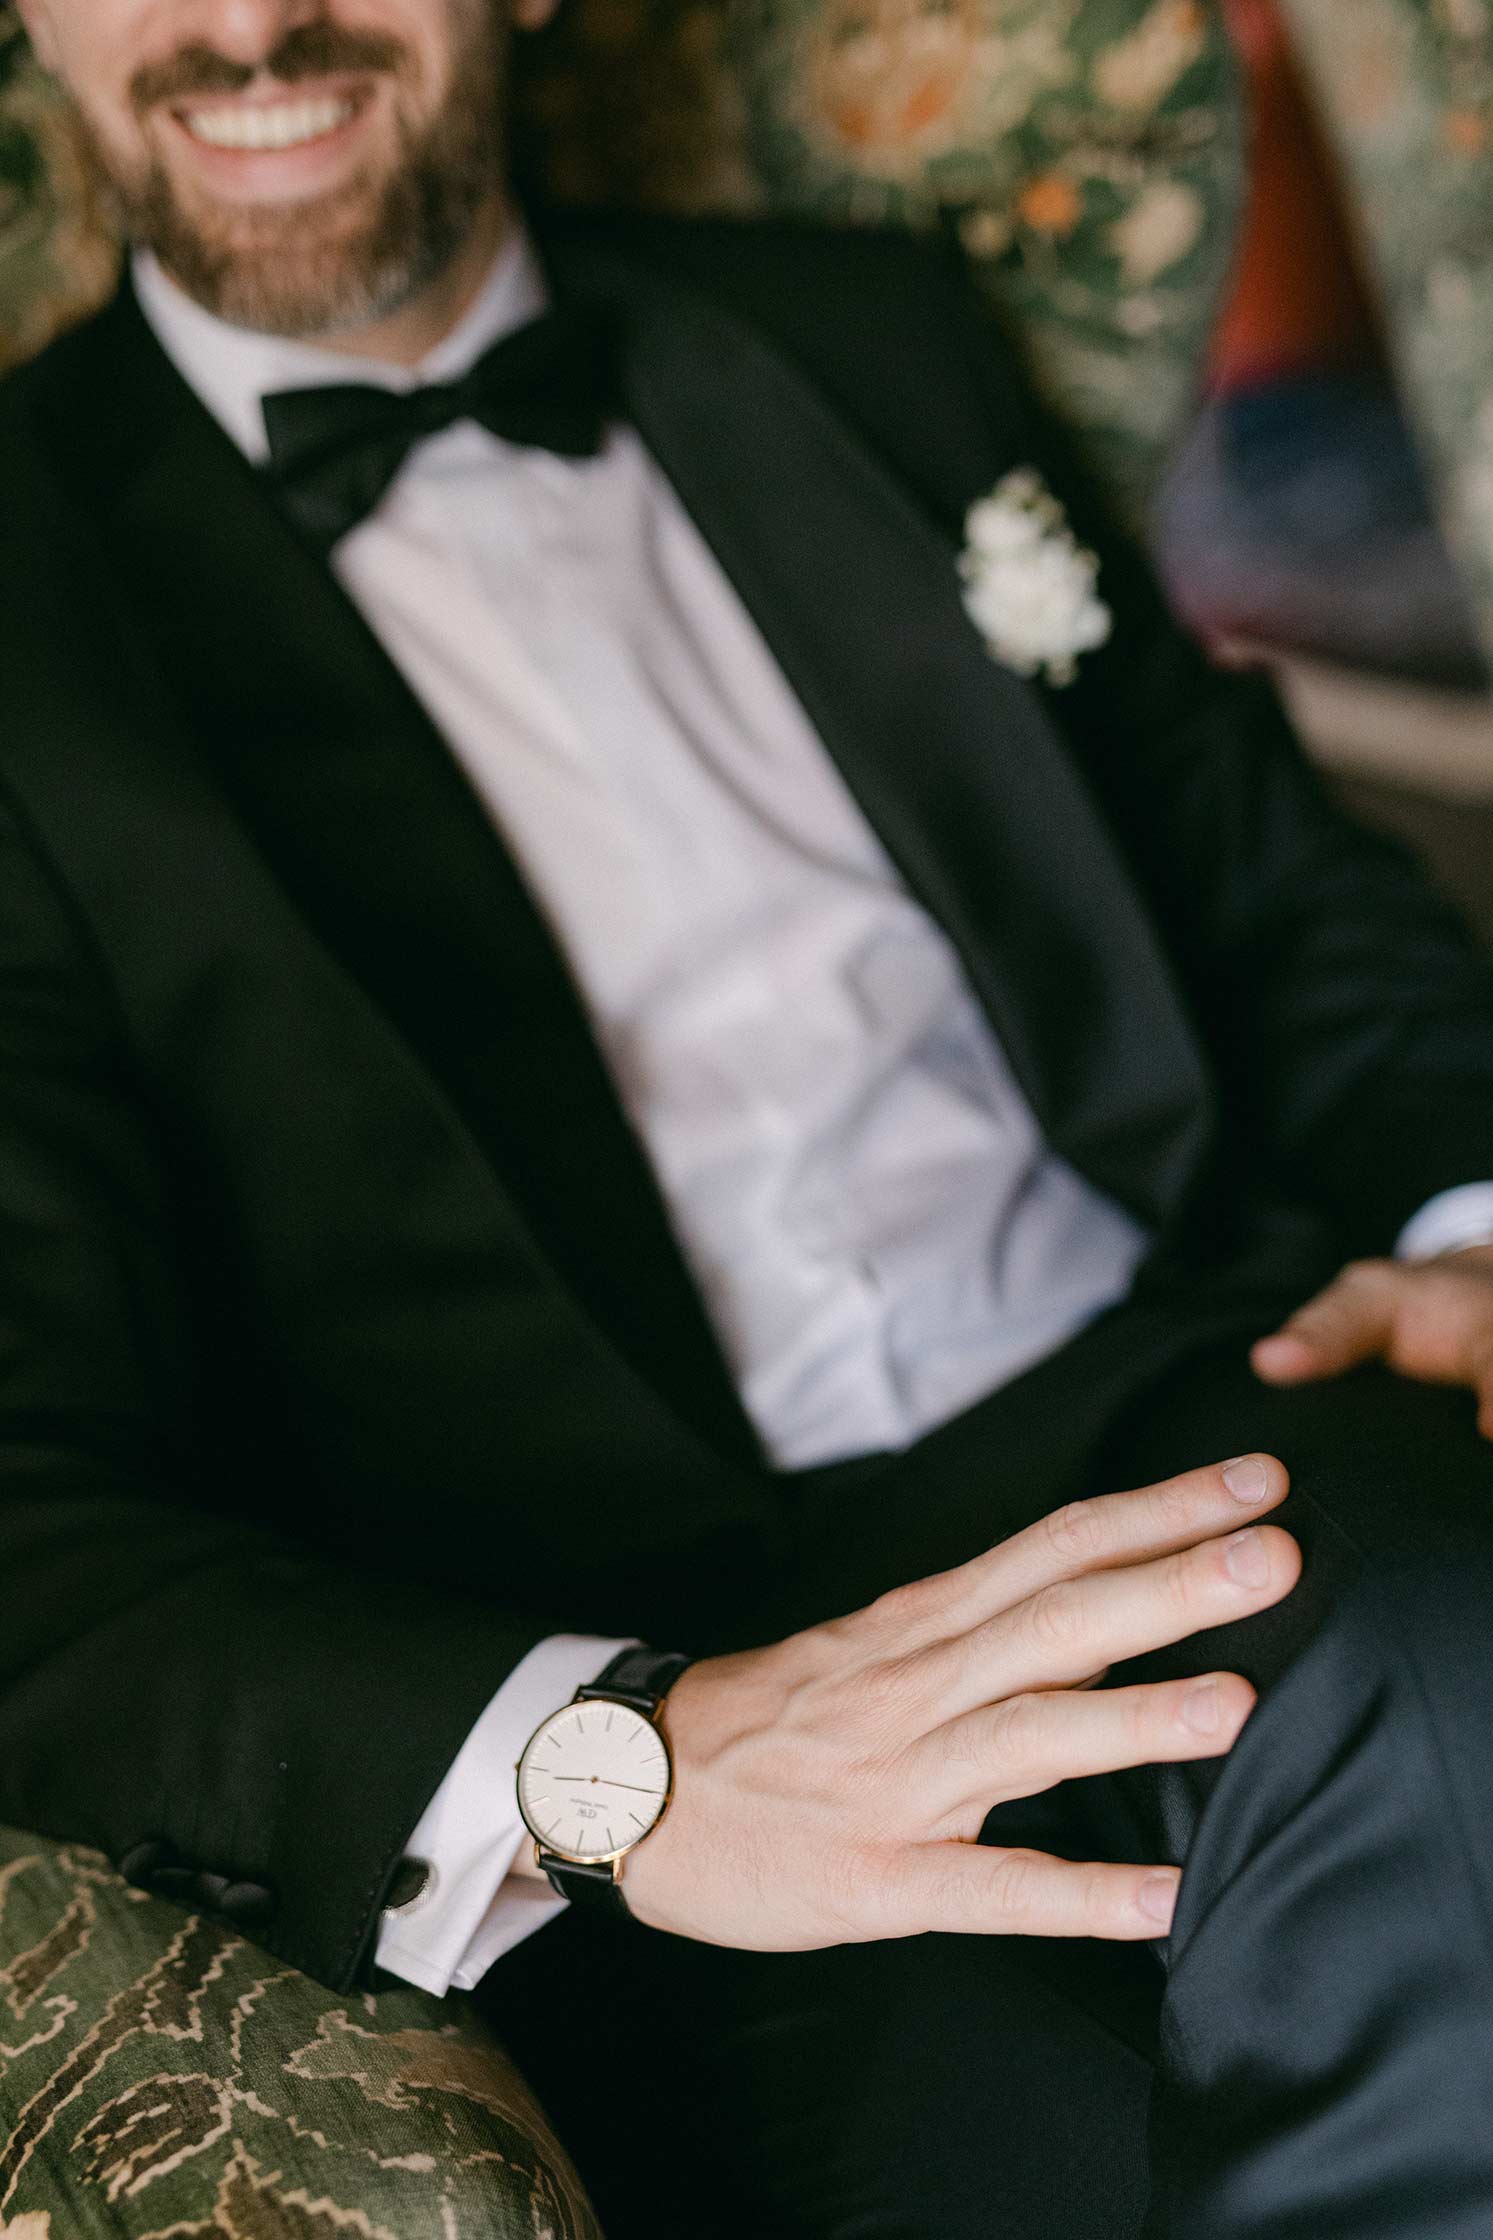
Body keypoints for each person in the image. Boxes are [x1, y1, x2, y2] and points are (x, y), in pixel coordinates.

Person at [5, 0, 1493, 2232]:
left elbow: (1273, 887)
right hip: (659, 1684)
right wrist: (613, 1765)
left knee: (1426, 1667)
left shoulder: (863, 337)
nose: (244, 25)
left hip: (1198, 1411)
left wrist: (1473, 1222)